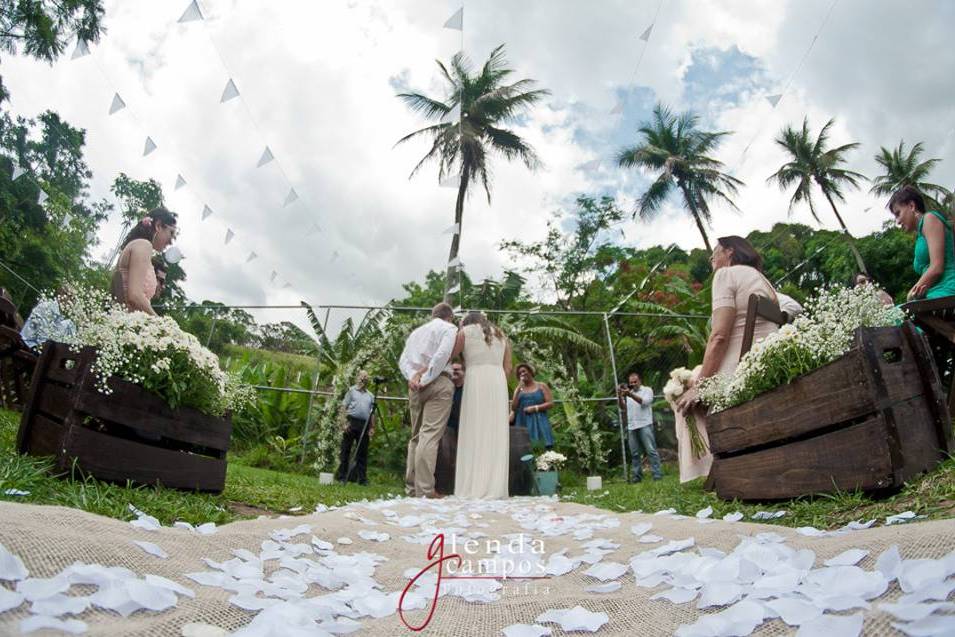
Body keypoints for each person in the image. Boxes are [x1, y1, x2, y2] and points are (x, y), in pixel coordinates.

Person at [674, 236, 781, 482]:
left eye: (714, 254)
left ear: (729, 252)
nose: (712, 260)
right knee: (695, 378)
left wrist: (699, 386)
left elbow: (719, 337)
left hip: (739, 370)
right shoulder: (763, 282)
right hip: (766, 363)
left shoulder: (725, 276)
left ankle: (711, 467)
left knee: (684, 396)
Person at [399, 302, 458, 498]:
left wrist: (413, 378)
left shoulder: (416, 333)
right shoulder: (449, 329)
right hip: (438, 383)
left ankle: (411, 488)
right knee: (430, 435)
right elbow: (441, 355)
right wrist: (425, 379)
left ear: (433, 315)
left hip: (414, 386)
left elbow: (403, 360)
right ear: (449, 317)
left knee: (415, 436)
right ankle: (425, 490)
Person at [453, 311, 512, 499]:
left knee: (474, 428)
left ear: (467, 321)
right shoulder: (501, 334)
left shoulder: (465, 332)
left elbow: (448, 356)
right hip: (497, 380)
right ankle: (494, 486)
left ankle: (472, 485)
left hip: (476, 379)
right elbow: (508, 368)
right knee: (494, 432)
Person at [889, 185, 955, 301]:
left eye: (898, 213)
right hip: (934, 290)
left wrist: (910, 294)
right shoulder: (920, 235)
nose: (898, 221)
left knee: (896, 316)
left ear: (911, 206)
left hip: (948, 286)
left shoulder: (930, 219)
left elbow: (936, 268)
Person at [111, 207, 178, 314]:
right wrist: (161, 324)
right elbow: (135, 295)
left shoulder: (140, 246)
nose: (171, 242)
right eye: (171, 233)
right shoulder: (144, 245)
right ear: (158, 226)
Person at [618, 371, 662, 483]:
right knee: (635, 453)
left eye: (635, 381)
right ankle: (637, 477)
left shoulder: (647, 390)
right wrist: (620, 396)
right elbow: (623, 408)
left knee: (651, 451)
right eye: (631, 382)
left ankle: (657, 475)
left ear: (640, 381)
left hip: (645, 424)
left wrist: (630, 395)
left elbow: (644, 402)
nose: (633, 384)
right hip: (632, 426)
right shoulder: (629, 393)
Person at [336, 370, 375, 485]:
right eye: (362, 376)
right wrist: (343, 423)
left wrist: (372, 427)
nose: (364, 378)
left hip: (364, 424)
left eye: (366, 376)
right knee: (346, 450)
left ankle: (362, 479)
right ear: (358, 377)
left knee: (362, 452)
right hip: (351, 422)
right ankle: (342, 476)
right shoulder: (351, 391)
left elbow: (372, 413)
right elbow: (343, 407)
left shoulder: (371, 395)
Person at [511, 363, 555, 449]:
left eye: (524, 371)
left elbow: (550, 403)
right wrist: (516, 391)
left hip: (539, 421)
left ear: (530, 371)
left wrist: (535, 408)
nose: (522, 374)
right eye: (519, 373)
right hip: (522, 423)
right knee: (523, 450)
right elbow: (513, 408)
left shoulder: (541, 386)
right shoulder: (518, 390)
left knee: (542, 447)